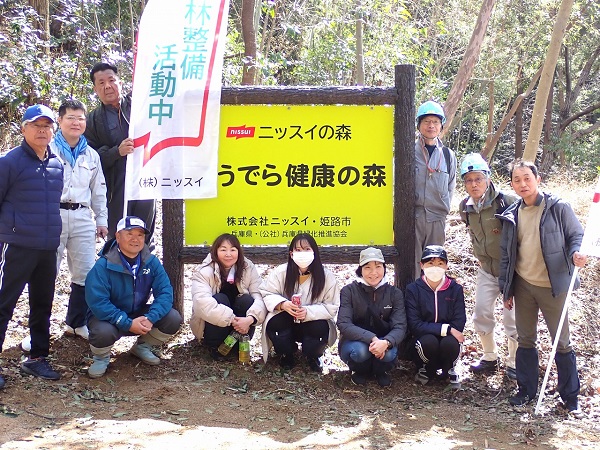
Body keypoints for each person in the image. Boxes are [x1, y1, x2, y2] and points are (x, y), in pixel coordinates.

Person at [498, 160, 587, 413]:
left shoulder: (558, 207)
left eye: (527, 178)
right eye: (517, 180)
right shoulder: (512, 214)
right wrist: (507, 288)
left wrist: (576, 253)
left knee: (562, 341)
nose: (523, 184)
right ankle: (526, 391)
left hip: (553, 285)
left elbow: (575, 236)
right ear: (512, 184)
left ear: (537, 178)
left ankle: (570, 397)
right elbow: (506, 254)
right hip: (523, 284)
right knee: (525, 339)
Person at [21, 99, 108, 352]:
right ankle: (37, 332)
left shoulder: (91, 154)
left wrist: (101, 220)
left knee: (85, 273)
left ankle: (76, 322)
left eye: (81, 118)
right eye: (70, 118)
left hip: (82, 216)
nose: (76, 122)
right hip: (51, 216)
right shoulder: (45, 149)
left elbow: (98, 189)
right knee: (45, 274)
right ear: (59, 121)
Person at [0, 104, 64, 387]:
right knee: (4, 304)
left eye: (47, 126)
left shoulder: (56, 163)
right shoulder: (9, 162)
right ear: (24, 129)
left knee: (42, 305)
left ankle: (37, 358)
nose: (42, 130)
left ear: (53, 130)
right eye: (36, 125)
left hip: (47, 248)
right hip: (15, 246)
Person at [84, 216, 182, 378]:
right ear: (117, 236)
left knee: (172, 318)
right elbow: (98, 302)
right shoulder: (103, 265)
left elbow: (165, 293)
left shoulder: (151, 262)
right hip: (108, 318)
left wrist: (150, 318)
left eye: (140, 235)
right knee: (103, 332)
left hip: (138, 312)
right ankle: (101, 358)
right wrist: (127, 323)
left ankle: (142, 347)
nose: (135, 239)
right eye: (129, 234)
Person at [458, 153, 518, 379]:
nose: (474, 184)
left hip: (511, 271)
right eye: (469, 180)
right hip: (485, 269)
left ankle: (513, 361)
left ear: (488, 179)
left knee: (512, 318)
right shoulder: (465, 207)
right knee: (482, 312)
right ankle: (489, 356)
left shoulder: (507, 202)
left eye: (478, 179)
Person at [84, 62, 156, 248]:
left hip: (144, 182)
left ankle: (145, 272)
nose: (107, 86)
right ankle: (118, 273)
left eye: (111, 80)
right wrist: (117, 152)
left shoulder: (138, 104)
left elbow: (152, 86)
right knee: (118, 236)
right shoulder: (92, 120)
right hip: (115, 187)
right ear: (95, 88)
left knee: (144, 233)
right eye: (101, 83)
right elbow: (91, 157)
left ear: (120, 83)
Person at [260, 233, 340, 372]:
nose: (302, 253)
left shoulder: (326, 277)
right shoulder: (280, 272)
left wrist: (308, 312)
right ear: (291, 254)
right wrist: (282, 304)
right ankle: (286, 354)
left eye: (307, 249)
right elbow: (267, 293)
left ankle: (313, 355)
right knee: (275, 322)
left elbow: (332, 306)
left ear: (314, 252)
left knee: (320, 327)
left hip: (311, 323)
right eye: (298, 250)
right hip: (287, 321)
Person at [337, 247, 407, 387]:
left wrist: (386, 342)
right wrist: (372, 339)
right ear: (360, 270)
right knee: (360, 351)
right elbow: (344, 323)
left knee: (387, 353)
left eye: (378, 266)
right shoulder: (349, 291)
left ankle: (381, 372)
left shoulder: (394, 293)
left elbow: (400, 326)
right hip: (354, 342)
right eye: (368, 267)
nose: (373, 272)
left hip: (384, 342)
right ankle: (359, 371)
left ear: (384, 268)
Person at [190, 233, 266, 360]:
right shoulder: (204, 271)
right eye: (223, 250)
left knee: (247, 300)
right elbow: (201, 303)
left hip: (242, 326)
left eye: (233, 250)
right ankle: (215, 347)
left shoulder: (248, 268)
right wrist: (233, 319)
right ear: (215, 251)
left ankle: (240, 345)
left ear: (239, 251)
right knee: (220, 299)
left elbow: (261, 295)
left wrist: (251, 319)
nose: (228, 254)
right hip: (215, 327)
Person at [404, 245, 466, 388]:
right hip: (424, 340)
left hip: (448, 342)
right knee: (429, 341)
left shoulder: (455, 289)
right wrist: (447, 329)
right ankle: (426, 369)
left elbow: (459, 321)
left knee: (450, 343)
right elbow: (415, 325)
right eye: (430, 263)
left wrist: (450, 331)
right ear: (422, 265)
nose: (435, 267)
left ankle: (449, 370)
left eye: (440, 263)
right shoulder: (413, 289)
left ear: (446, 266)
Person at [413, 100, 457, 278]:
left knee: (434, 265)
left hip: (437, 220)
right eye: (426, 121)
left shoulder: (448, 155)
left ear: (441, 125)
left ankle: (432, 302)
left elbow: (451, 186)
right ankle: (411, 303)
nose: (431, 126)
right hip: (412, 219)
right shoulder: (409, 151)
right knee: (412, 264)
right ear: (419, 125)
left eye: (435, 122)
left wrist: (443, 211)